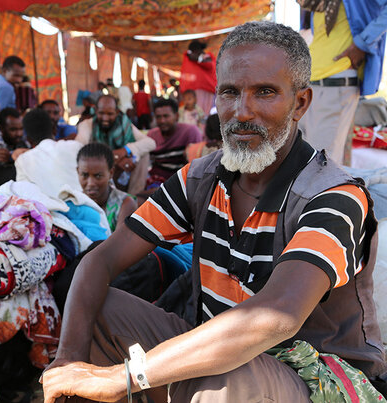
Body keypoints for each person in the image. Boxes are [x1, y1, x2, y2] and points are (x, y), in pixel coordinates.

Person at [42, 21, 387, 402]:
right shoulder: (200, 178)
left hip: (314, 379)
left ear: (300, 103)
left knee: (226, 382)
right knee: (98, 306)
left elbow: (277, 315)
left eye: (266, 92)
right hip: (217, 355)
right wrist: (68, 362)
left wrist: (124, 376)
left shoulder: (333, 196)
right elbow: (100, 260)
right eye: (230, 92)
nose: (243, 111)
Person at [298, 0, 387, 164]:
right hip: (309, 82)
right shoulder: (316, 4)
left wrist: (361, 44)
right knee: (303, 159)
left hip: (336, 81)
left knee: (319, 165)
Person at [76, 94, 156, 195]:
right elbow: (79, 147)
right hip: (99, 173)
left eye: (110, 114)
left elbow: (150, 143)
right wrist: (113, 157)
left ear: (117, 112)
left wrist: (125, 150)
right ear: (95, 110)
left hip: (123, 171)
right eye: (101, 113)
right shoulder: (87, 125)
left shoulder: (124, 124)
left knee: (144, 155)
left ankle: (133, 198)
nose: (105, 118)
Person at [15, 108, 84, 196]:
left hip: (48, 209)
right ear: (54, 130)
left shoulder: (22, 160)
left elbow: (24, 196)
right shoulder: (74, 146)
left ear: (28, 139)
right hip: (84, 204)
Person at [77, 143, 137, 232]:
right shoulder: (74, 203)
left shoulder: (125, 203)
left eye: (98, 176)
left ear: (111, 173)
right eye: (84, 175)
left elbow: (119, 243)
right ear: (78, 171)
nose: (91, 183)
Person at [147, 98, 202, 187]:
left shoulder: (190, 131)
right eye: (158, 117)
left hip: (182, 184)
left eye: (166, 116)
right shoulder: (152, 135)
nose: (162, 121)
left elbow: (196, 167)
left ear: (176, 116)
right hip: (156, 182)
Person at [179, 40, 217, 115]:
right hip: (192, 90)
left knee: (203, 114)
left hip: (206, 89)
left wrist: (198, 58)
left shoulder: (207, 57)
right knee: (195, 114)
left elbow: (209, 65)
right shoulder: (188, 57)